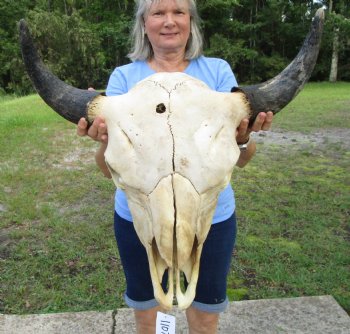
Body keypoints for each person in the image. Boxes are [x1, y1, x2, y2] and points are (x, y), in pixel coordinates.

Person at [77, 0, 273, 333]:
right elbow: (109, 169)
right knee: (146, 314)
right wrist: (102, 141)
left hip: (212, 218)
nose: (169, 21)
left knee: (206, 316)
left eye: (178, 12)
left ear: (191, 22)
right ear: (144, 24)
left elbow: (241, 158)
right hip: (138, 218)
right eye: (158, 13)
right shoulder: (124, 78)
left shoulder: (217, 73)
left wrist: (242, 137)